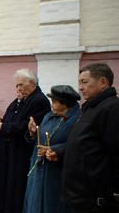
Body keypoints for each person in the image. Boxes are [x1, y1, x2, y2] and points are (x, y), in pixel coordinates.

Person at [47, 63, 119, 213]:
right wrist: (59, 152)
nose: (80, 87)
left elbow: (116, 152)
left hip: (95, 198)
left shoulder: (111, 108)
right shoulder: (91, 107)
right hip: (81, 194)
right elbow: (83, 143)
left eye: (84, 82)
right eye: (80, 82)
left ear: (103, 82)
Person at [0, 69, 51, 213]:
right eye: (17, 86)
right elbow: (11, 121)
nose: (18, 88)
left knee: (16, 188)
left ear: (32, 83)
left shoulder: (39, 100)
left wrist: (3, 127)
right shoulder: (20, 101)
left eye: (21, 85)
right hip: (8, 150)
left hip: (21, 151)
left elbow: (26, 126)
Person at [22, 85, 81, 213]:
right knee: (35, 202)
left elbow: (77, 145)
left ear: (65, 105)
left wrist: (54, 149)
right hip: (38, 171)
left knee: (53, 205)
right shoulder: (49, 116)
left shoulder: (77, 120)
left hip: (56, 173)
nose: (51, 104)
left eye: (54, 101)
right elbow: (39, 140)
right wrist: (33, 133)